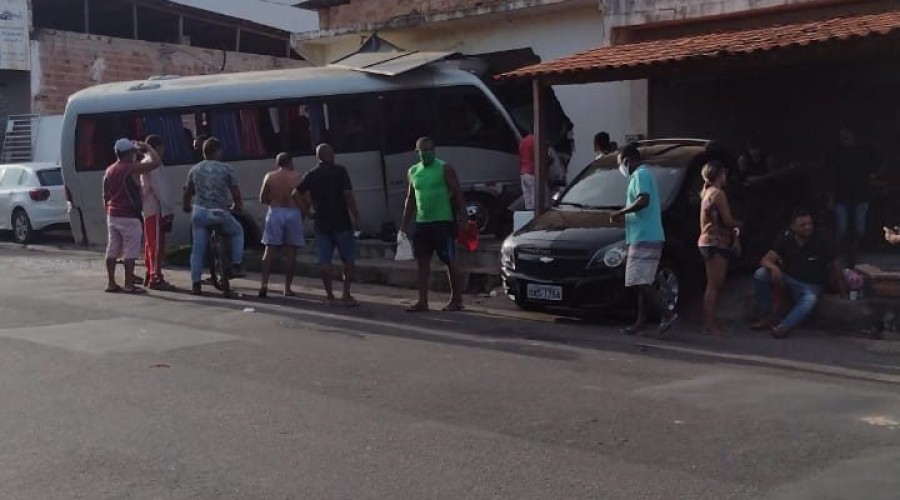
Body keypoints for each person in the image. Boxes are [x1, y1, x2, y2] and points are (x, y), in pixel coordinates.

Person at [611, 144, 678, 336]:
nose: (620, 168)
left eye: (620, 163)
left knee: (638, 281)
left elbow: (643, 200)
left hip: (645, 237)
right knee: (642, 281)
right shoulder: (641, 175)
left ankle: (667, 314)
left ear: (627, 160)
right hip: (644, 236)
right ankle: (640, 321)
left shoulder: (640, 175)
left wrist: (621, 212)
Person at [750, 210, 846, 338]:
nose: (807, 227)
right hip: (788, 279)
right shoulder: (786, 238)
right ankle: (766, 317)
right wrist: (773, 268)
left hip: (811, 286)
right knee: (761, 274)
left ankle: (784, 327)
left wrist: (842, 290)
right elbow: (765, 260)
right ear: (793, 227)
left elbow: (836, 265)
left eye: (809, 223)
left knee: (810, 299)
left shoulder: (822, 239)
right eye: (803, 225)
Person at [401, 137, 466, 312]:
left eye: (430, 150)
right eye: (423, 150)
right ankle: (422, 301)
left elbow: (458, 193)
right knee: (422, 262)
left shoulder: (444, 168)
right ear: (417, 152)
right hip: (422, 222)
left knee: (449, 261)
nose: (427, 153)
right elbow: (410, 199)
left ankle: (457, 299)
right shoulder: (413, 171)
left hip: (442, 222)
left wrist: (464, 218)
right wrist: (403, 225)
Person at [294, 144, 362, 306]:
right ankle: (346, 294)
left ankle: (330, 296)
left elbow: (295, 193)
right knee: (348, 261)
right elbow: (348, 195)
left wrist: (307, 211)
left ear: (318, 157)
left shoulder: (312, 174)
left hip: (322, 224)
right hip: (342, 222)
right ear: (331, 155)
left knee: (325, 262)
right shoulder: (340, 171)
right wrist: (357, 217)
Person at [183, 137, 245, 296]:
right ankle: (236, 264)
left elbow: (188, 192)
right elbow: (236, 193)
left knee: (198, 249)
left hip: (200, 213)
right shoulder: (226, 169)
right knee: (237, 231)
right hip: (220, 212)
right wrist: (237, 206)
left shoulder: (194, 169)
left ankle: (196, 284)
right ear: (217, 151)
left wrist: (186, 206)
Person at [103, 138, 161, 294]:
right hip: (129, 215)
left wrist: (108, 210)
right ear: (128, 153)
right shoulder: (131, 168)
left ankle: (111, 283)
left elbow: (105, 194)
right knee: (131, 251)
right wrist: (147, 147)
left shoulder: (109, 170)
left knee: (112, 250)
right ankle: (129, 284)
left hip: (112, 215)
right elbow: (156, 163)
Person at [697, 161, 742, 336]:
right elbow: (728, 221)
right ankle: (709, 324)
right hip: (716, 241)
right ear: (719, 175)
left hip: (707, 241)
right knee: (714, 285)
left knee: (713, 284)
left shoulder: (707, 192)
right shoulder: (718, 193)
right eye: (724, 173)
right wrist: (740, 224)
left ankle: (711, 321)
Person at [828, 126, 882, 269]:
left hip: (860, 197)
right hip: (841, 198)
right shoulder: (837, 153)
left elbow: (872, 172)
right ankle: (835, 258)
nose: (844, 138)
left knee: (859, 230)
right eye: (842, 135)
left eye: (846, 135)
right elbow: (832, 176)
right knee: (842, 230)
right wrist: (831, 197)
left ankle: (851, 257)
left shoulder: (863, 153)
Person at [258, 153, 304, 298]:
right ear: (290, 162)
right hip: (293, 211)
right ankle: (287, 288)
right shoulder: (297, 177)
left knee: (269, 249)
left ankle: (264, 284)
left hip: (275, 211)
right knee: (291, 251)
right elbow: (304, 198)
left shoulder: (270, 176)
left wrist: (273, 203)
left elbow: (262, 198)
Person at [139, 135, 175, 291]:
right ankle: (155, 276)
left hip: (148, 209)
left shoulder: (145, 163)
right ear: (157, 147)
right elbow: (160, 190)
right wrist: (167, 209)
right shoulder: (153, 164)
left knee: (150, 243)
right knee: (156, 244)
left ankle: (150, 272)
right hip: (156, 208)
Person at [519, 131, 536, 210]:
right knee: (536, 200)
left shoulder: (523, 141)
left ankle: (529, 217)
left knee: (528, 200)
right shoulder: (536, 140)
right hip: (532, 172)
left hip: (523, 172)